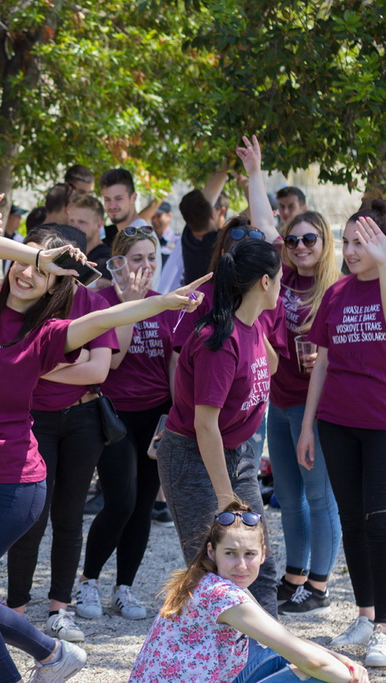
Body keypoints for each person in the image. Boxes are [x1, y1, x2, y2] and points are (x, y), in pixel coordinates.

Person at [0, 203, 210, 682]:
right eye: (24, 263)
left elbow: (110, 317)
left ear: (54, 286)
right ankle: (54, 656)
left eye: (41, 272)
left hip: (12, 483)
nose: (26, 274)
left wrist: (162, 302)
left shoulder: (45, 335)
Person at [2, 226, 119, 643]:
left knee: (69, 517)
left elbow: (98, 369)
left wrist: (43, 364)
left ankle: (59, 609)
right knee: (29, 516)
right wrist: (68, 364)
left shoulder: (92, 302)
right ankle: (15, 609)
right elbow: (18, 359)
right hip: (36, 419)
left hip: (83, 420)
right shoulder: (27, 301)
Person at [155, 238, 282, 617]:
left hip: (239, 456)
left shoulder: (249, 325)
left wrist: (255, 322)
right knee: (212, 570)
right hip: (194, 456)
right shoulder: (218, 343)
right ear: (263, 281)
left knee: (259, 564)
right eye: (278, 279)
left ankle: (267, 662)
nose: (281, 286)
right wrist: (226, 497)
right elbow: (205, 424)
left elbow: (269, 368)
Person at [131, 501, 368, 683]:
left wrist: (338, 656)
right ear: (212, 552)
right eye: (230, 553)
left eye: (250, 554)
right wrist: (348, 675)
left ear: (263, 554)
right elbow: (313, 663)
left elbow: (284, 638)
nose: (242, 566)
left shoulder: (205, 579)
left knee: (279, 654)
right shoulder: (223, 595)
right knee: (320, 674)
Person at [298, 204, 386, 666]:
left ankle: (385, 629)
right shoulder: (336, 293)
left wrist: (385, 262)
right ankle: (366, 614)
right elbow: (323, 363)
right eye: (347, 242)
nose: (350, 251)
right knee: (352, 520)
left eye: (362, 242)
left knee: (381, 522)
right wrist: (307, 427)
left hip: (381, 426)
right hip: (336, 422)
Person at [76, 227, 175, 623]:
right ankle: (88, 581)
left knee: (143, 505)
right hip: (113, 416)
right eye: (137, 259)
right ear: (117, 263)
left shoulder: (164, 304)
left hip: (156, 417)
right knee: (120, 501)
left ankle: (125, 587)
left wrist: (176, 417)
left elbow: (172, 367)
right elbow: (112, 362)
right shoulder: (101, 303)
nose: (146, 266)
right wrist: (131, 307)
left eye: (151, 258)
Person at [266, 211, 341, 616]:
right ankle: (294, 575)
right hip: (278, 401)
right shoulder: (283, 277)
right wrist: (255, 172)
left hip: (314, 405)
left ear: (325, 241)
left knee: (319, 495)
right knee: (289, 497)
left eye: (309, 239)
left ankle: (320, 585)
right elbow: (263, 221)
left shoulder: (336, 289)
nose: (299, 248)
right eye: (292, 241)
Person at [99, 169, 151, 245]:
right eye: (107, 199)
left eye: (118, 198)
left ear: (133, 198)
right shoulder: (125, 235)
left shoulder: (141, 238)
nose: (112, 205)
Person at [150, 200, 177, 266]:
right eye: (153, 216)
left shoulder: (178, 241)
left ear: (169, 216)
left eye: (159, 216)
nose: (154, 220)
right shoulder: (148, 240)